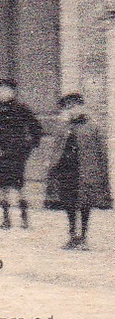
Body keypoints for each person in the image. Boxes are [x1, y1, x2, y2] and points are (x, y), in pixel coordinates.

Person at [45, 93, 110, 250]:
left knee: (85, 203)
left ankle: (84, 237)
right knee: (69, 202)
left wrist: (100, 171)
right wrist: (52, 165)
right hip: (67, 170)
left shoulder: (92, 127)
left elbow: (101, 151)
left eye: (74, 107)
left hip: (85, 170)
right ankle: (73, 236)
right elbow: (56, 148)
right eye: (68, 108)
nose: (72, 110)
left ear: (82, 107)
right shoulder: (63, 127)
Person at [0, 79, 44, 230]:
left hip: (17, 153)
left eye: (7, 90)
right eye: (0, 90)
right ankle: (5, 218)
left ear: (13, 92)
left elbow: (36, 127)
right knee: (1, 186)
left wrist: (29, 146)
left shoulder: (21, 109)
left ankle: (24, 217)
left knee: (19, 186)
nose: (4, 94)